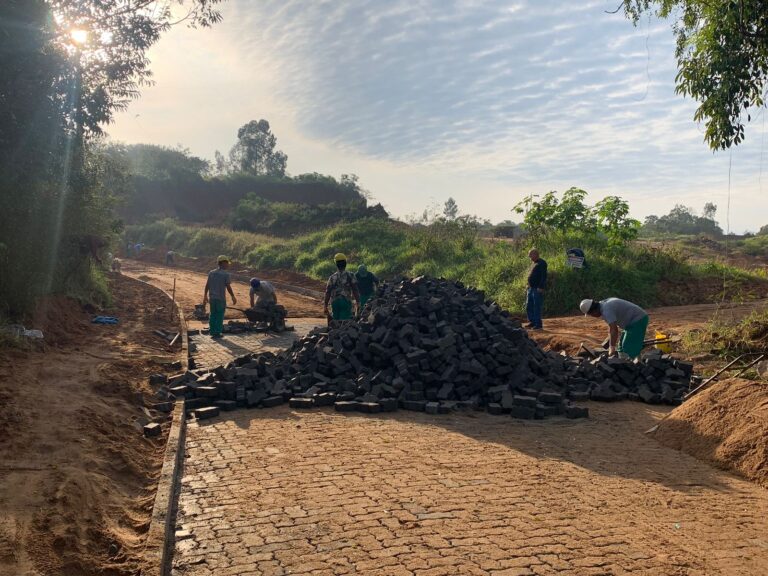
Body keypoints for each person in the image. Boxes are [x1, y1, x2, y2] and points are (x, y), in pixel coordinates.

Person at [580, 297, 649, 359]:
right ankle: (623, 366)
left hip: (638, 320)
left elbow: (614, 329)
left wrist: (611, 347)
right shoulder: (603, 305)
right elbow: (611, 327)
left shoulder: (606, 310)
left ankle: (636, 367)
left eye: (591, 315)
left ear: (593, 311)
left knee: (628, 347)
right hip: (630, 324)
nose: (593, 316)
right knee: (621, 348)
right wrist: (610, 339)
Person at [203, 255, 237, 339]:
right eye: (227, 263)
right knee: (219, 315)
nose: (228, 265)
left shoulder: (211, 272)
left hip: (212, 298)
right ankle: (217, 333)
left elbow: (207, 285)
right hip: (220, 299)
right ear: (222, 263)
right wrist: (233, 296)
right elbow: (228, 287)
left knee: (213, 315)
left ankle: (212, 331)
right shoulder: (225, 274)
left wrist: (205, 296)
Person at [323, 253, 360, 323]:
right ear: (345, 263)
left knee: (335, 321)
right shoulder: (350, 275)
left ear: (336, 264)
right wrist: (358, 302)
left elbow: (328, 292)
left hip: (335, 302)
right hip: (345, 301)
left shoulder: (332, 277)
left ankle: (334, 333)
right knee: (344, 323)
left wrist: (325, 305)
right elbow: (355, 290)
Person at [525, 248, 547, 330]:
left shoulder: (542, 263)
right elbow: (531, 275)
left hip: (537, 289)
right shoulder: (534, 263)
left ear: (535, 254)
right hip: (530, 288)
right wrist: (528, 285)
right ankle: (532, 322)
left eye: (530, 255)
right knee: (529, 305)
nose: (529, 257)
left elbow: (543, 276)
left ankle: (538, 325)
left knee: (536, 306)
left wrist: (541, 287)